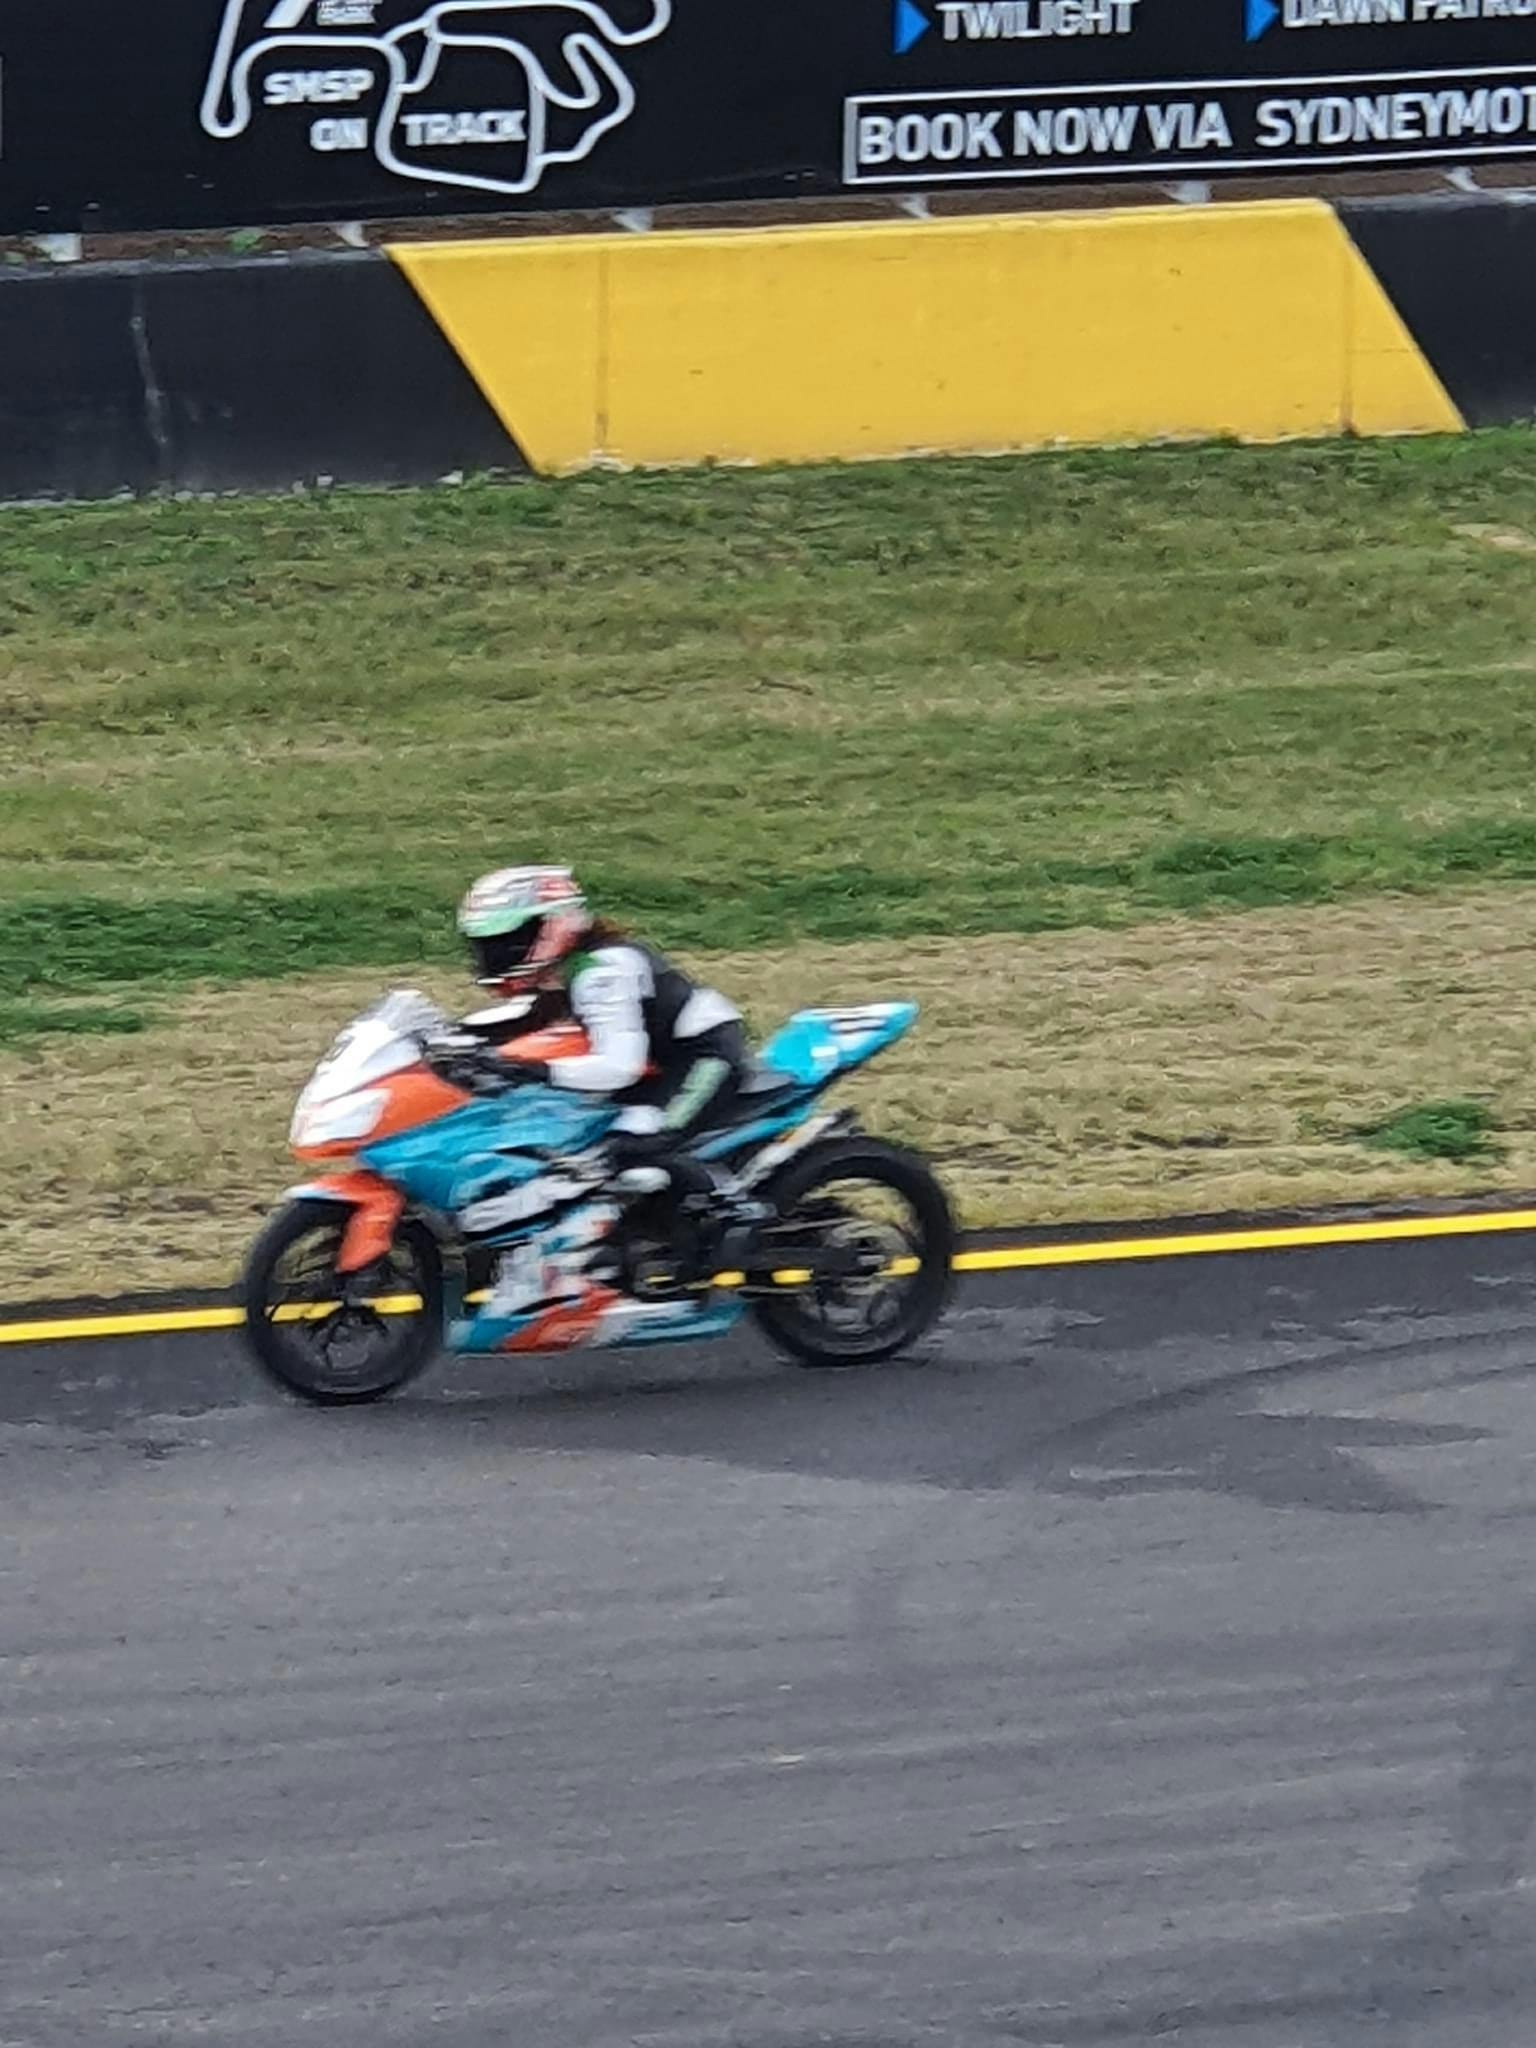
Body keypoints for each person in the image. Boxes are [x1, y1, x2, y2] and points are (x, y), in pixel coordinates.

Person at [425, 865, 761, 1314]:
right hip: (657, 1066)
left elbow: (618, 1066)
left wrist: (537, 1071)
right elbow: (528, 1019)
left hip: (704, 1058)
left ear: (550, 926)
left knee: (633, 1142)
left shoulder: (604, 970)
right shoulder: (568, 967)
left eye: (506, 940)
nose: (494, 954)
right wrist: (444, 1037)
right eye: (485, 945)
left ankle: (732, 1214)